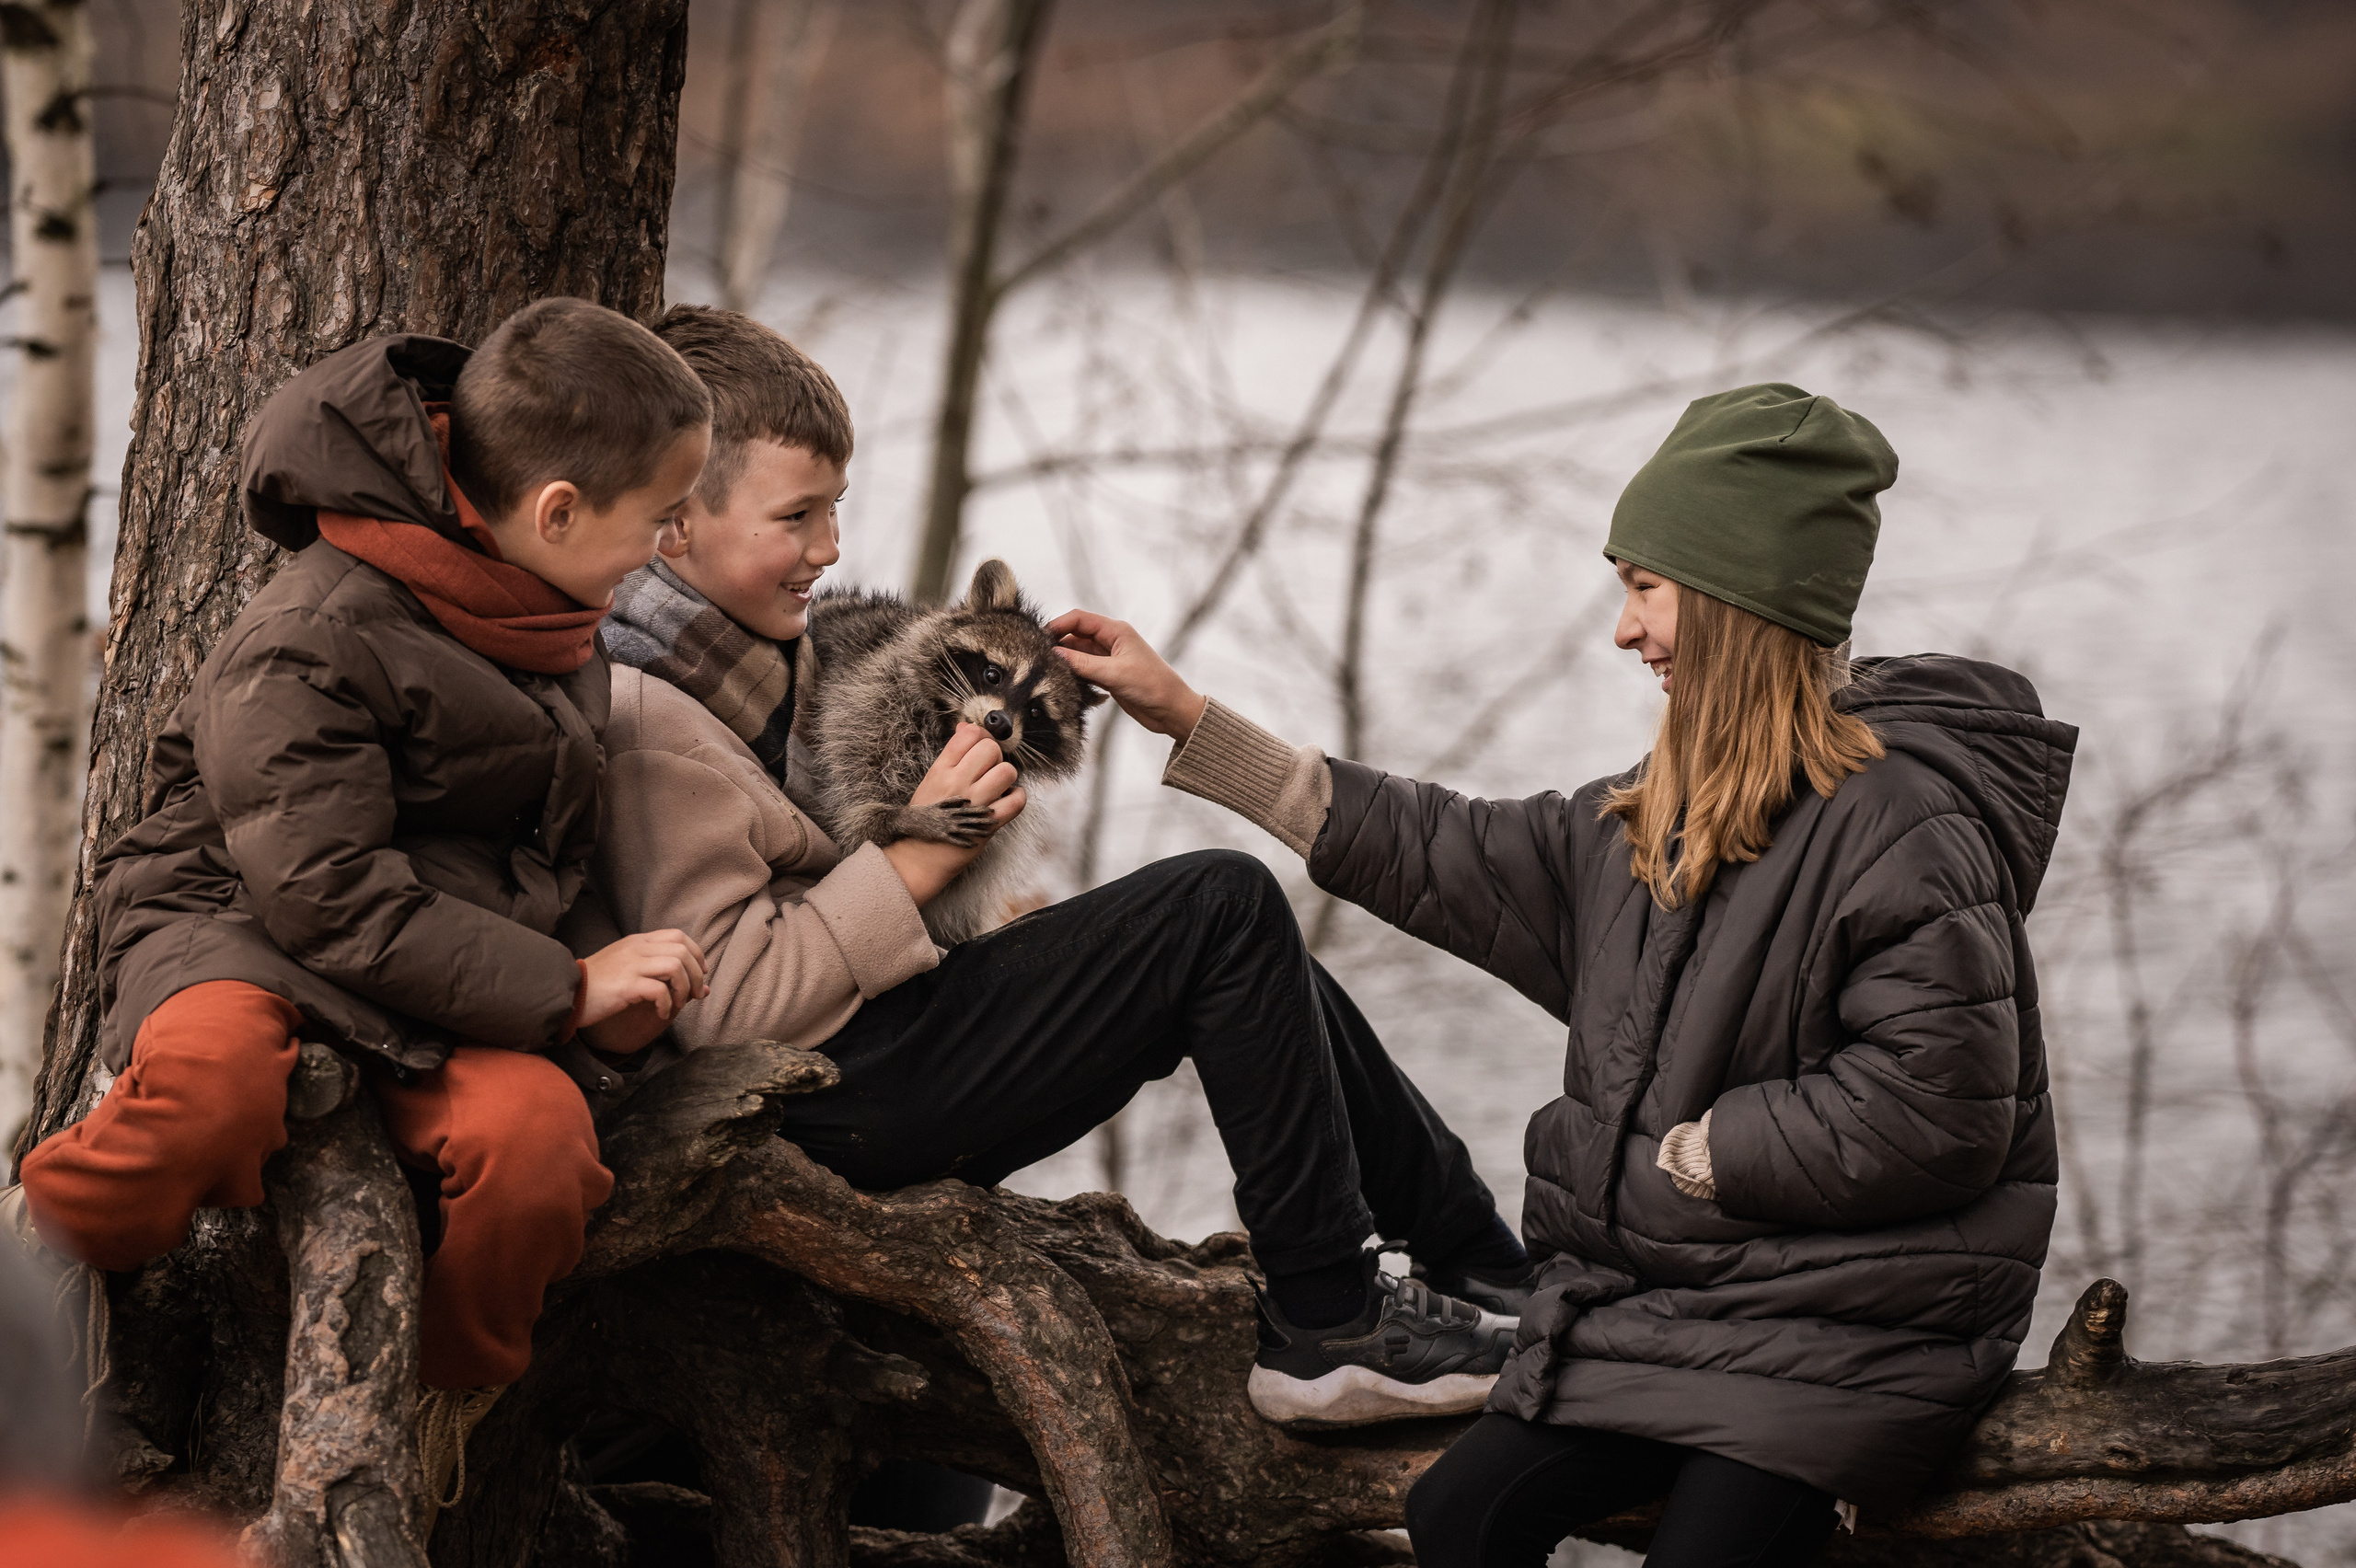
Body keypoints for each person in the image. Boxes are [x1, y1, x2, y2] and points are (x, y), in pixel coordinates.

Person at [1056, 384, 2073, 1566]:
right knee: (1458, 1513)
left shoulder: (1907, 825)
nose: (1624, 629)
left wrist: (1714, 1150)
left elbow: (1940, 1110)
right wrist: (1187, 716)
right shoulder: (1652, 819)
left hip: (1852, 1333)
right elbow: (1435, 845)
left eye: (1646, 589)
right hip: (1675, 1317)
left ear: (1740, 603)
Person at [576, 304, 1530, 1430]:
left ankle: (1489, 1271)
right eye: (798, 515)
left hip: (863, 1050)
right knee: (1218, 907)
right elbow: (731, 1011)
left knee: (1253, 961)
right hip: (810, 1096)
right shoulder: (649, 707)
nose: (831, 546)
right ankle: (1325, 1320)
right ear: (675, 525)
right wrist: (925, 854)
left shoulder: (752, 657)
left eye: (836, 509)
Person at [7, 298, 716, 1513]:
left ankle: (433, 1395)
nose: (673, 543)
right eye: (659, 519)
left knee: (538, 1153)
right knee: (212, 1091)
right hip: (241, 920)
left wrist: (606, 979)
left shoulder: (546, 611)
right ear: (556, 511)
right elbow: (324, 896)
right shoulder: (309, 636)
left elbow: (540, 854)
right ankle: (58, 1243)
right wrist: (561, 988)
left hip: (433, 957)